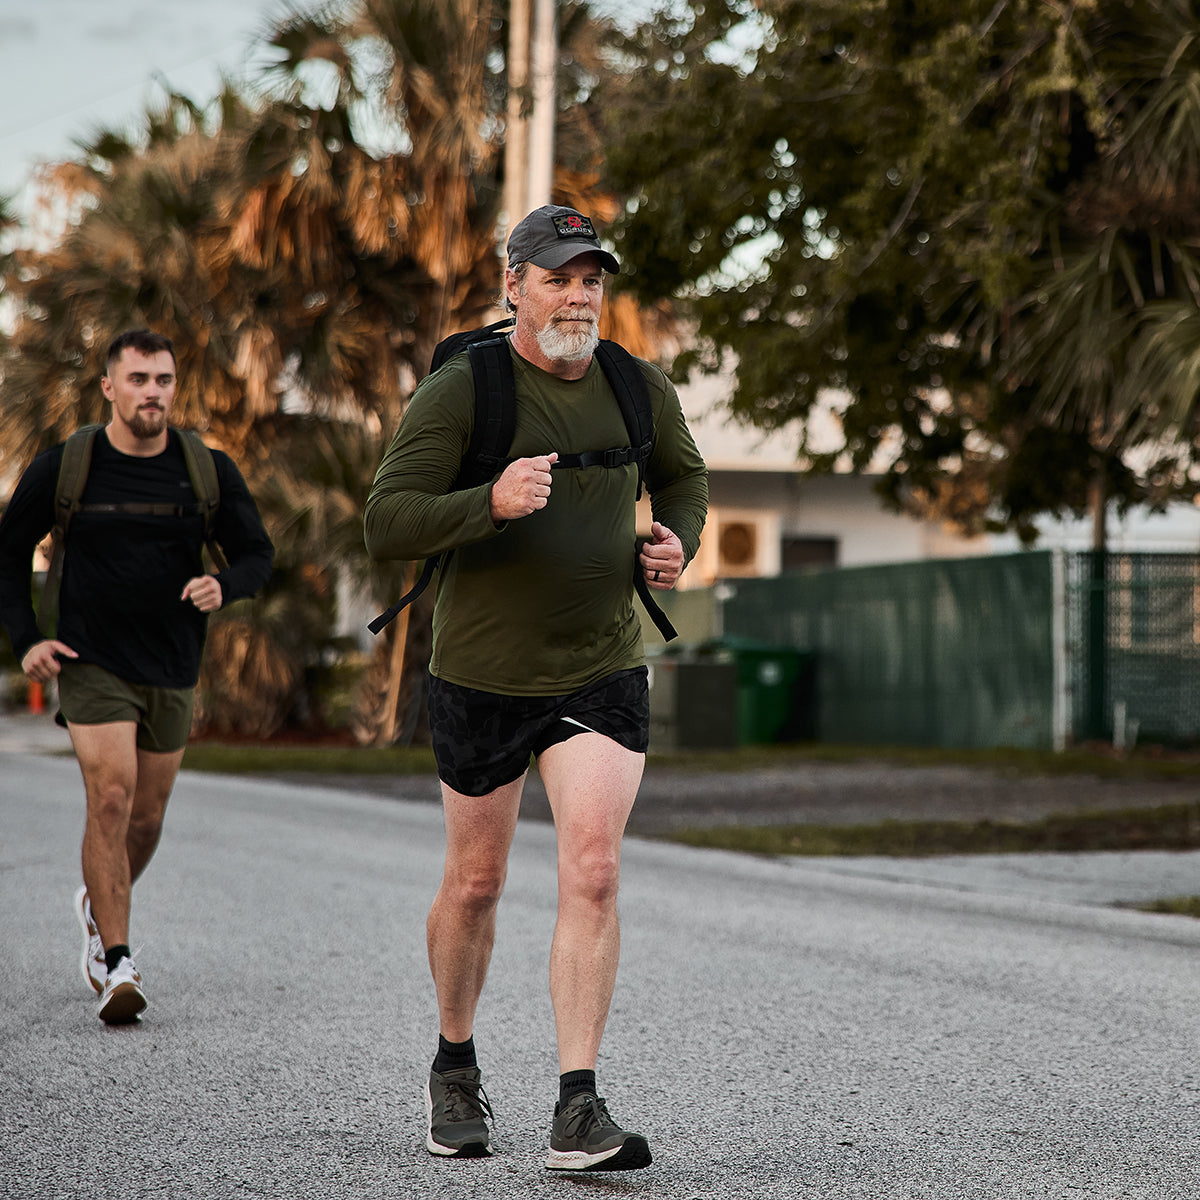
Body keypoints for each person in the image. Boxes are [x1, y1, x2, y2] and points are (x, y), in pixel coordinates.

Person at [364, 205, 708, 1171]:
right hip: (480, 674)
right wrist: (489, 502)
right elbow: (386, 522)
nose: (579, 294)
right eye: (559, 276)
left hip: (600, 664)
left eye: (592, 278)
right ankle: (455, 1063)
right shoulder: (462, 390)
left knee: (592, 868)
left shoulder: (638, 388)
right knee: (477, 882)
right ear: (513, 282)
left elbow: (685, 477)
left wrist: (679, 538)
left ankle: (577, 1105)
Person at [0, 329, 274, 1025]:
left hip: (173, 663)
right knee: (113, 796)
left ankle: (95, 904)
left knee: (147, 818)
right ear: (109, 388)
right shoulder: (69, 465)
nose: (152, 392)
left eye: (163, 380)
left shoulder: (205, 468)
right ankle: (117, 959)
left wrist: (224, 585)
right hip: (90, 660)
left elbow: (256, 554)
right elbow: (7, 553)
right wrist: (27, 638)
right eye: (139, 379)